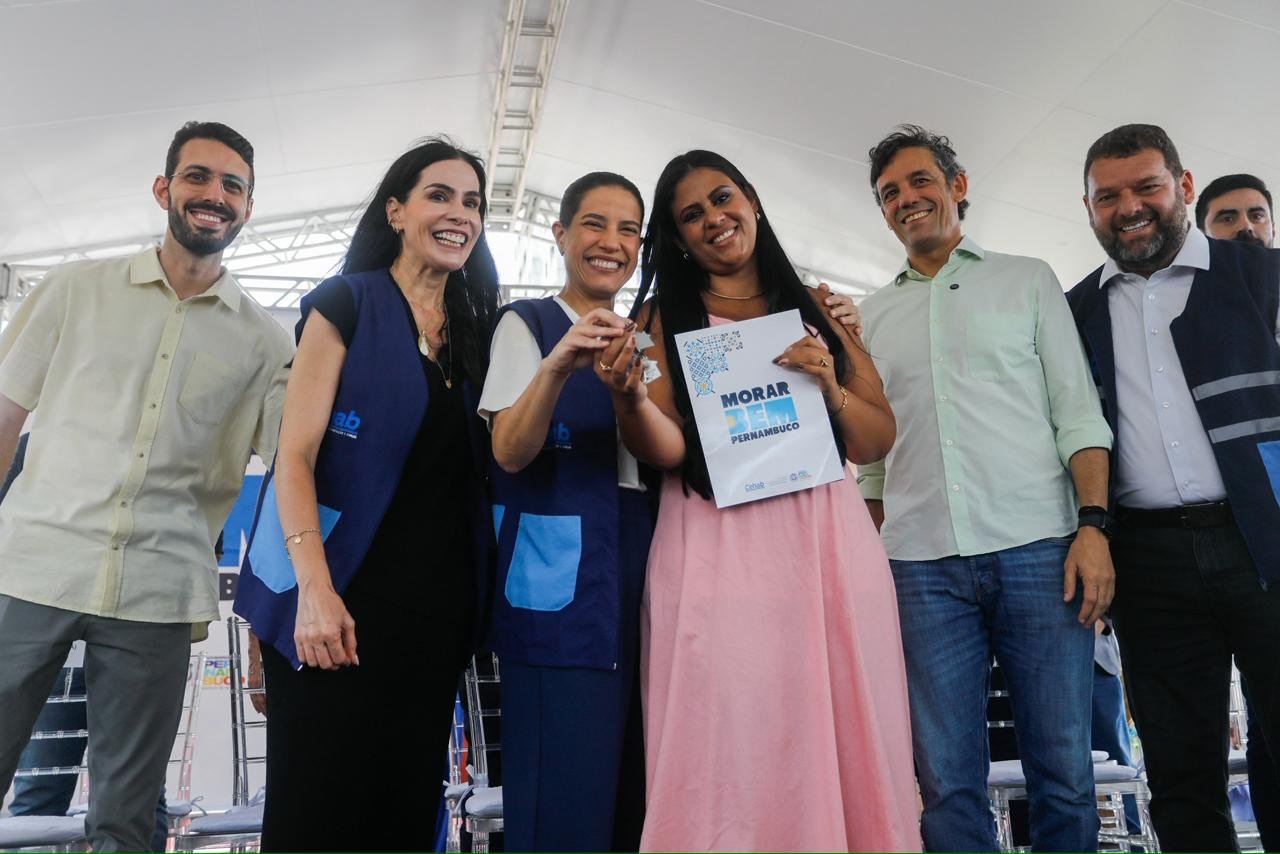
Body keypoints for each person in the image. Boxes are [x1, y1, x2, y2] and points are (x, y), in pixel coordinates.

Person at [597, 148, 920, 852]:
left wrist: (829, 387)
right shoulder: (659, 318)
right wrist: (628, 401)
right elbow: (667, 449)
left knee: (844, 718)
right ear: (678, 238)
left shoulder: (816, 309)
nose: (714, 218)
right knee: (731, 731)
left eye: (722, 198)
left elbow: (875, 439)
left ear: (752, 199)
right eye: (692, 214)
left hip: (826, 543)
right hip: (717, 548)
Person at [0, 121, 293, 851]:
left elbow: (295, 462)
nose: (214, 194)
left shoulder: (267, 342)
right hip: (31, 569)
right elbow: (6, 416)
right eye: (198, 177)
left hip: (157, 592)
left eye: (232, 185)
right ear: (164, 189)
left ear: (248, 208)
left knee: (127, 817)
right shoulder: (75, 289)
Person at [233, 137, 500, 851]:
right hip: (338, 606)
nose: (459, 213)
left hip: (434, 619)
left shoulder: (477, 333)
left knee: (405, 815)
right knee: (316, 814)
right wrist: (313, 592)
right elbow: (293, 455)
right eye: (439, 195)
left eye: (472, 202)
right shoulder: (346, 303)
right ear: (397, 211)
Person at [856, 125, 1114, 851]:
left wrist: (1093, 528)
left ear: (958, 185)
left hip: (1042, 552)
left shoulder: (1028, 280)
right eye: (889, 193)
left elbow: (1078, 414)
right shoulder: (869, 317)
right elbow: (871, 464)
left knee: (1064, 772)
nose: (906, 199)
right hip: (919, 566)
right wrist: (870, 563)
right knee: (944, 781)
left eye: (919, 181)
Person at [1068, 125, 1280, 850]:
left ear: (1183, 186)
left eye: (1146, 186)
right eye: (1108, 196)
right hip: (1149, 564)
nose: (1129, 207)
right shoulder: (1075, 311)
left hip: (1264, 544)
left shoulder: (1261, 277)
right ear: (1088, 207)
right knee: (1179, 775)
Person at [478, 171, 650, 851]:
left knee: (635, 801)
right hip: (559, 591)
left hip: (640, 571)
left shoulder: (647, 341)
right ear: (560, 234)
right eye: (594, 225)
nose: (611, 242)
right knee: (561, 802)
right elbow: (508, 451)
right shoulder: (527, 325)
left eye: (628, 229)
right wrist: (557, 367)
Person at [1196, 171, 1280, 850]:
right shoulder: (1188, 319)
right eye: (1227, 218)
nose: (1246, 228)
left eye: (1257, 215)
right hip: (1222, 540)